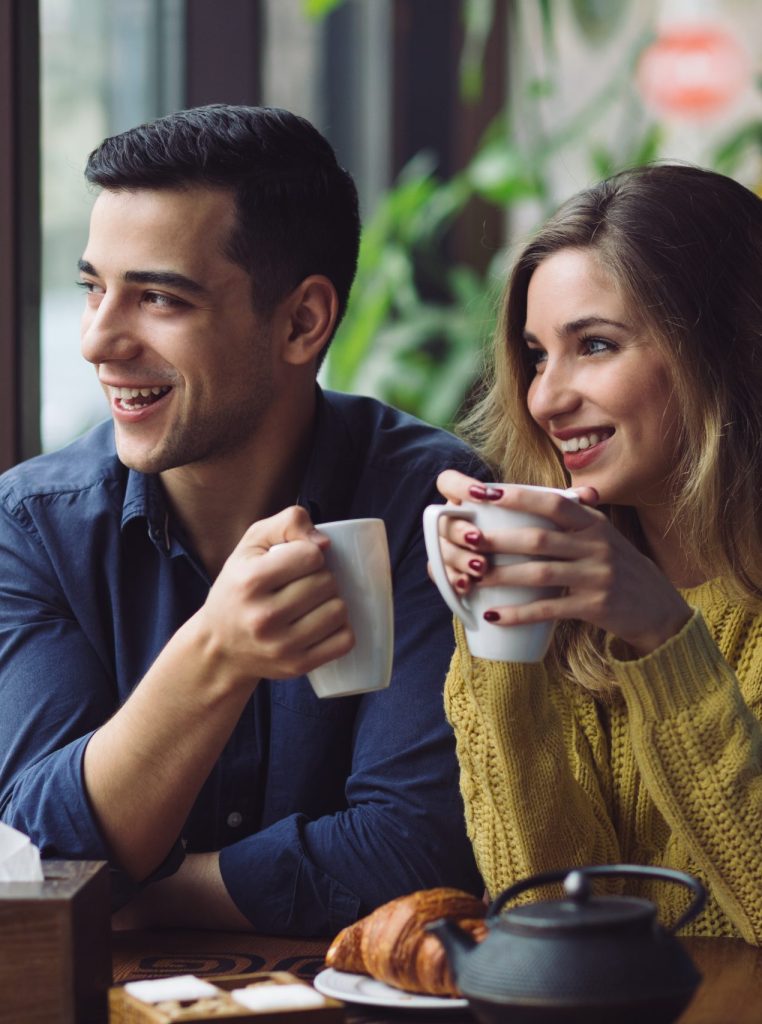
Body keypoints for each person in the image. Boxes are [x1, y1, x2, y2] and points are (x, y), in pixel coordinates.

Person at [0, 104, 485, 935]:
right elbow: (30, 858)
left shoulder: (430, 507)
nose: (97, 340)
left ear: (302, 322)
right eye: (94, 289)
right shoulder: (34, 525)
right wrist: (214, 653)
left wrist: (141, 898)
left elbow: (419, 849)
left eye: (157, 298)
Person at [435, 163, 762, 943]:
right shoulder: (567, 599)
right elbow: (546, 924)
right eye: (537, 354)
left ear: (725, 350)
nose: (544, 396)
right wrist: (499, 635)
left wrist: (665, 638)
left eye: (596, 344)